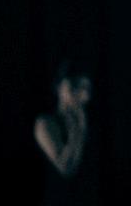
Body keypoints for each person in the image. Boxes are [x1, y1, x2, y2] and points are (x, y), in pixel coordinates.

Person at [34, 61, 96, 206]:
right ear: (58, 86)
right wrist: (77, 130)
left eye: (86, 88)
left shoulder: (91, 123)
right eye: (75, 85)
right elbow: (65, 169)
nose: (82, 94)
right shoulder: (46, 123)